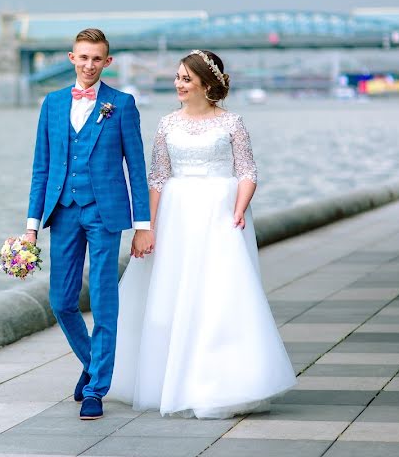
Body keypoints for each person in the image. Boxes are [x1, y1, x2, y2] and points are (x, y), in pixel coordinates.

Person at [108, 49, 296, 419]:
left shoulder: (232, 123)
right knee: (169, 294)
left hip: (218, 212)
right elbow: (158, 178)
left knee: (219, 295)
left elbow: (247, 171)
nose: (178, 84)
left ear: (206, 84)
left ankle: (219, 382)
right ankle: (166, 379)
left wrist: (239, 209)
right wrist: (147, 226)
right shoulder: (166, 124)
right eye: (177, 77)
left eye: (185, 79)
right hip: (177, 214)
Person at [25, 28, 154, 420]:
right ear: (71, 58)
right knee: (61, 302)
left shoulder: (122, 105)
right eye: (83, 57)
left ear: (107, 62)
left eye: (97, 58)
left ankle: (97, 387)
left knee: (102, 300)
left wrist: (142, 224)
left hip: (105, 213)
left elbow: (137, 167)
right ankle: (93, 363)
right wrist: (31, 226)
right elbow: (41, 167)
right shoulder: (52, 103)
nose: (89, 65)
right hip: (62, 211)